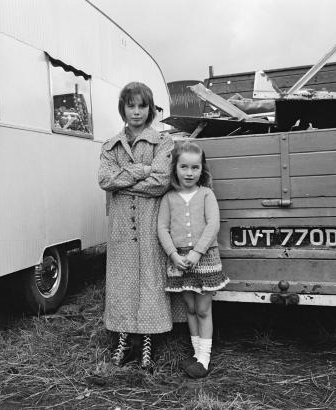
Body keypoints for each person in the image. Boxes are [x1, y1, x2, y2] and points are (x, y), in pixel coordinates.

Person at [98, 82, 184, 371]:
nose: (136, 112)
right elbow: (104, 180)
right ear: (122, 108)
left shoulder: (164, 142)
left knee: (150, 276)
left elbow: (160, 182)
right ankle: (123, 337)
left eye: (142, 106)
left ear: (150, 109)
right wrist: (141, 170)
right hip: (121, 225)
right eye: (130, 105)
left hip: (150, 223)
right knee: (122, 278)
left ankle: (147, 337)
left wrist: (125, 181)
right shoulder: (110, 145)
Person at [157, 141, 229, 378]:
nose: (189, 173)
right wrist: (174, 255)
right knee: (189, 307)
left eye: (195, 168)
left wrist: (197, 253)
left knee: (203, 309)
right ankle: (196, 354)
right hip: (180, 261)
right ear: (175, 168)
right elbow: (162, 228)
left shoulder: (206, 194)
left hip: (205, 258)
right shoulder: (168, 197)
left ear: (202, 169)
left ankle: (204, 359)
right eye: (184, 167)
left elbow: (213, 225)